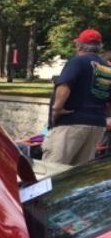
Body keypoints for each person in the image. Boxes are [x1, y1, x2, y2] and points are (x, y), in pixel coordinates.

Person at [42, 28, 111, 165]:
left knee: (53, 168)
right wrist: (104, 116)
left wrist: (57, 108)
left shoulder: (77, 62)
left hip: (72, 122)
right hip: (96, 125)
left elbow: (65, 85)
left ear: (79, 45)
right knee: (77, 172)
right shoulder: (106, 68)